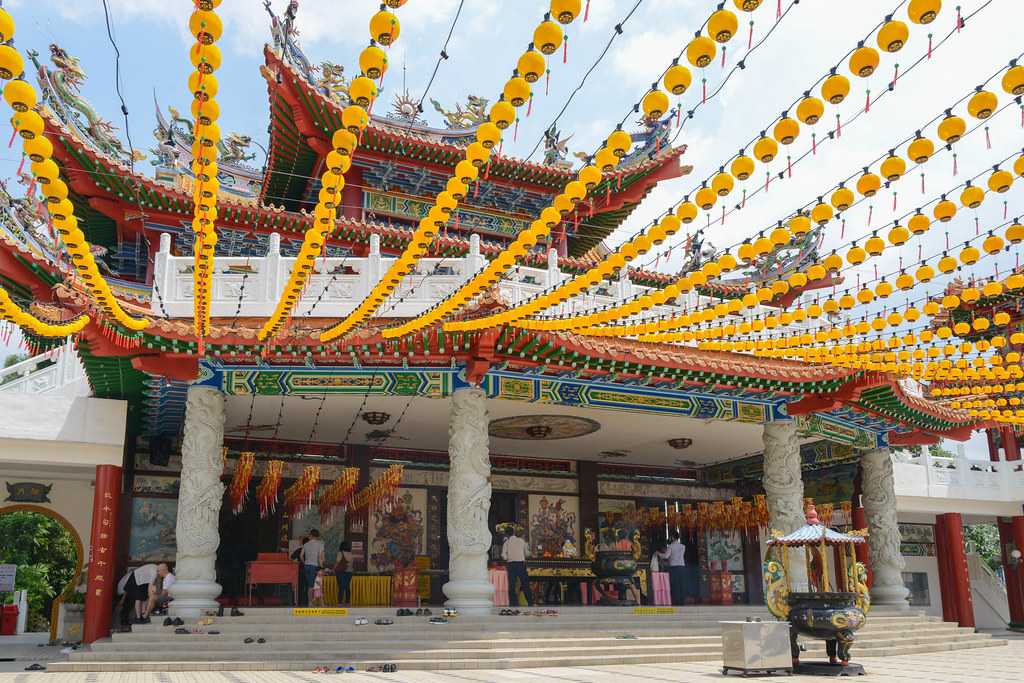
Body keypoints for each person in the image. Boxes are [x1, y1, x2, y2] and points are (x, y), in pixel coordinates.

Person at [501, 527, 533, 607]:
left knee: (512, 585)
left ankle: (513, 603)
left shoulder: (506, 543)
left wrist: (507, 557)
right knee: (525, 583)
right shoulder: (521, 541)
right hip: (520, 564)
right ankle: (530, 602)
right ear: (514, 532)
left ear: (506, 534)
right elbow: (527, 553)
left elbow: (503, 555)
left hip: (511, 565)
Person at [661, 531, 687, 606]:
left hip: (673, 568)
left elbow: (666, 556)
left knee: (674, 585)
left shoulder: (671, 546)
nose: (669, 538)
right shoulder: (683, 546)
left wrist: (658, 554)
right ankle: (682, 602)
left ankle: (675, 602)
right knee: (681, 584)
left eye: (670, 537)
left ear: (673, 537)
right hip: (682, 567)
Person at [301, 530, 325, 606]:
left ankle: (310, 602)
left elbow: (301, 556)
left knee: (310, 585)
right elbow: (320, 557)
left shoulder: (306, 544)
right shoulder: (320, 544)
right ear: (317, 536)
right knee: (317, 585)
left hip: (307, 566)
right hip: (315, 566)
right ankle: (316, 603)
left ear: (311, 535)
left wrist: (305, 563)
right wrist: (322, 567)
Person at [334, 541, 354, 605]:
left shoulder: (340, 553)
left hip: (340, 572)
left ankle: (340, 602)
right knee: (347, 587)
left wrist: (333, 569)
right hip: (349, 572)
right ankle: (347, 602)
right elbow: (351, 564)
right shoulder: (351, 554)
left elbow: (337, 563)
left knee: (341, 587)